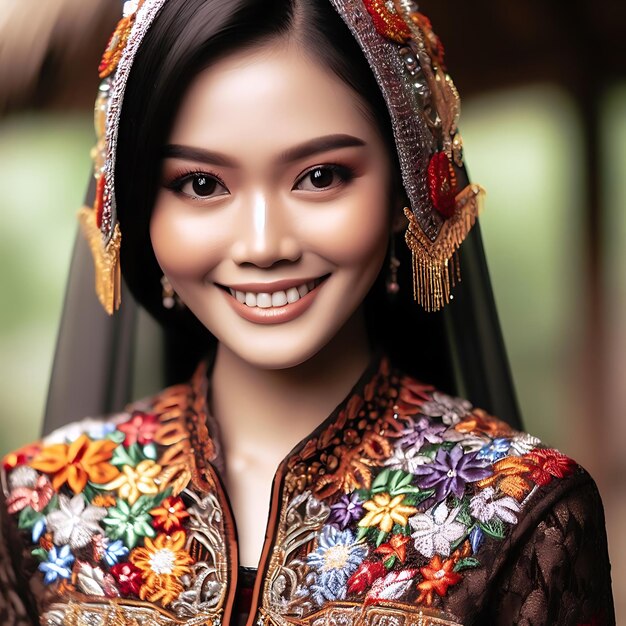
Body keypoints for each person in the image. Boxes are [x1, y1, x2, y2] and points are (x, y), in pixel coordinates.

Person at [0, 0, 614, 624]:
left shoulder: (523, 509)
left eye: (320, 176)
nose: (264, 245)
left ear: (407, 186)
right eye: (202, 184)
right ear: (137, 209)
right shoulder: (42, 503)